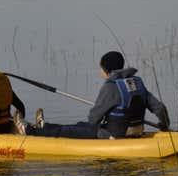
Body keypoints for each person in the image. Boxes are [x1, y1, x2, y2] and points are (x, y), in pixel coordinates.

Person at [28, 51, 170, 139]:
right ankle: (44, 126)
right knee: (79, 125)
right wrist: (164, 125)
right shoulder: (137, 83)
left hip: (115, 136)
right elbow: (160, 108)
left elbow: (94, 119)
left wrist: (91, 127)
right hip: (137, 131)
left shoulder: (110, 86)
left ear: (106, 70)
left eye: (100, 68)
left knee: (71, 130)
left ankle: (33, 132)